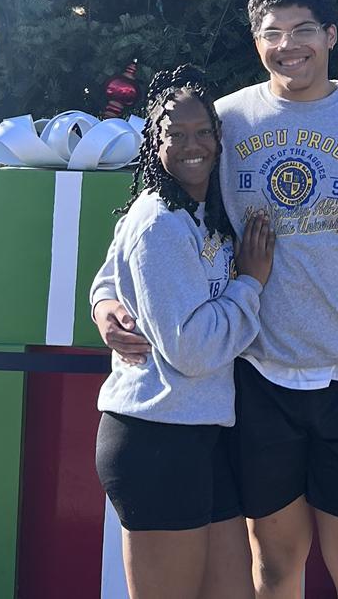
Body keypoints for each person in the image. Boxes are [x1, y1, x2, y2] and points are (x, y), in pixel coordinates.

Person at [94, 0, 338, 599]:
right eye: (273, 33)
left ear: (331, 34)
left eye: (304, 29)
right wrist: (103, 301)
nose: (290, 46)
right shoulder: (221, 126)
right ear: (255, 41)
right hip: (259, 385)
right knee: (273, 570)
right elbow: (152, 220)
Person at [92, 66, 275, 599]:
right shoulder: (158, 221)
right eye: (176, 134)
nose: (192, 145)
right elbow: (192, 350)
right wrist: (250, 284)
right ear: (155, 140)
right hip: (157, 436)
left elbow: (110, 276)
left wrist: (103, 304)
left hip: (203, 432)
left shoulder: (203, 210)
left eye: (203, 132)